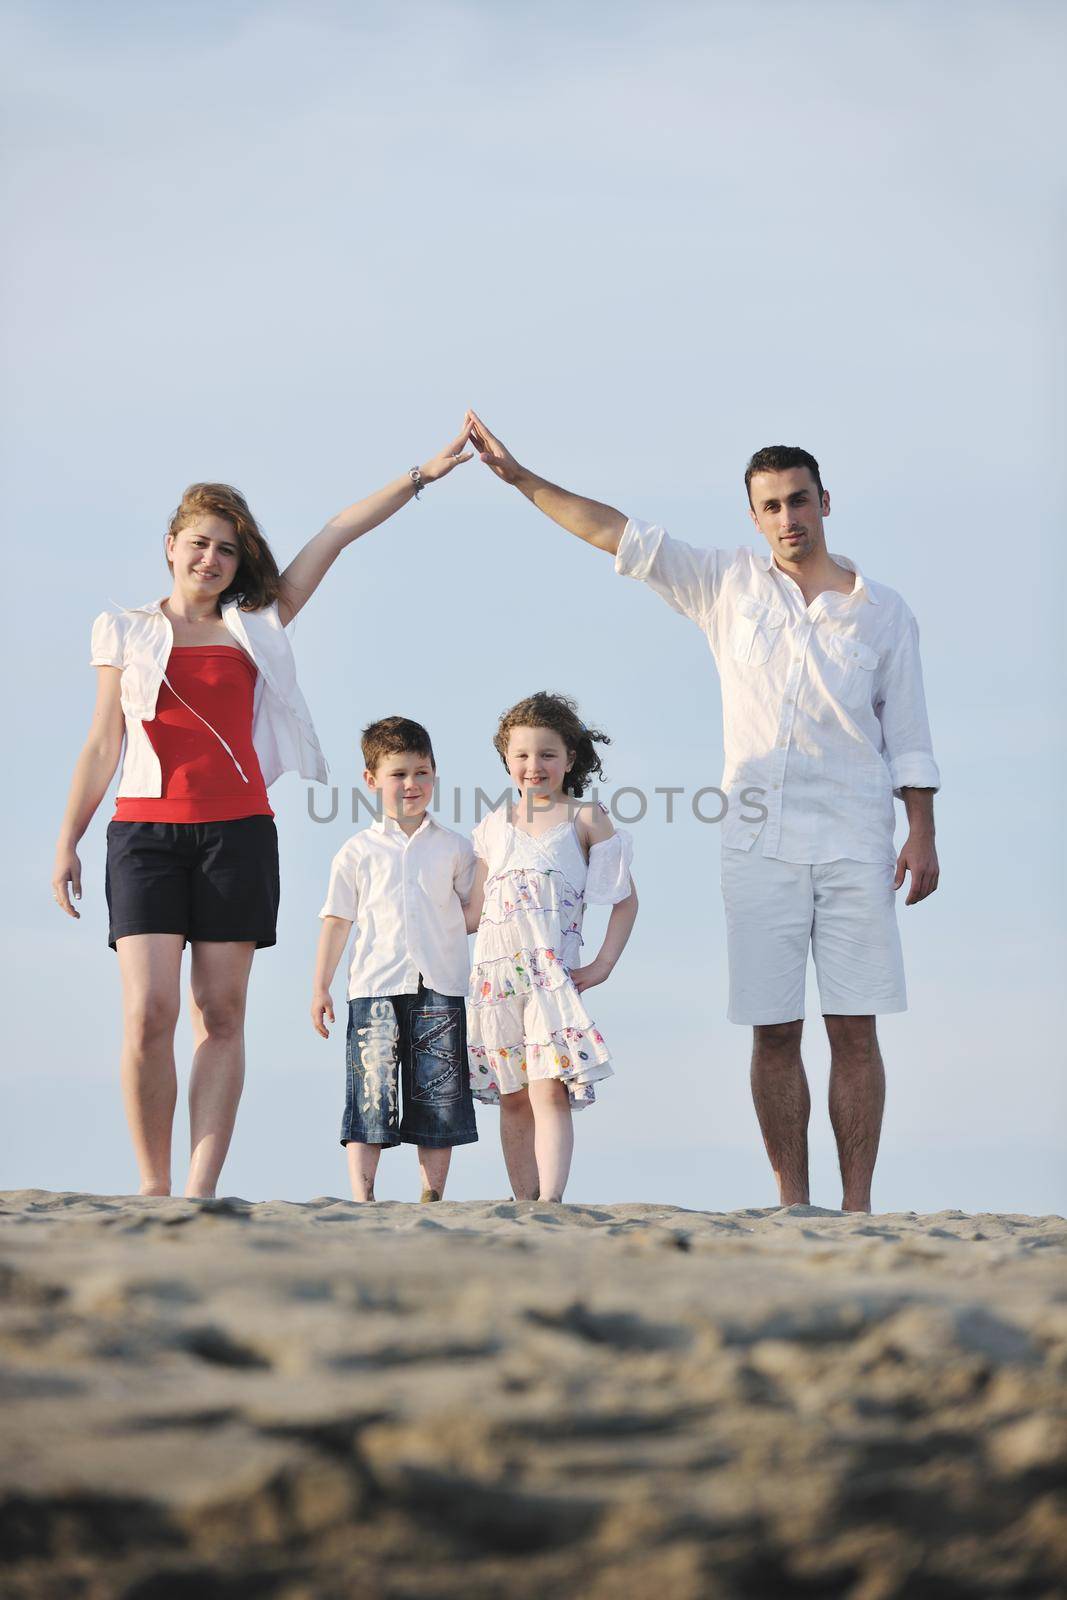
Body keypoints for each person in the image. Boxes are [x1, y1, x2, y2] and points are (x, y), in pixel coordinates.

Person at [465, 412, 940, 1214]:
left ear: (825, 502)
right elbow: (616, 533)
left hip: (858, 838)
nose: (787, 519)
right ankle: (794, 1202)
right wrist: (521, 479)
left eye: (798, 501)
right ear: (753, 517)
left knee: (854, 1029)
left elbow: (910, 733)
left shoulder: (881, 612)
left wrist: (919, 831)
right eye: (770, 507)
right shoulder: (726, 584)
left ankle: (856, 1210)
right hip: (756, 845)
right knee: (773, 1028)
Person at [52, 433, 472, 1199]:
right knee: (149, 1011)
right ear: (170, 547)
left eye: (226, 551)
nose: (210, 559)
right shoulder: (123, 628)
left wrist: (422, 474)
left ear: (239, 564)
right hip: (143, 834)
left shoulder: (259, 625)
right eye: (199, 544)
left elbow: (337, 531)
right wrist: (68, 839)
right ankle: (152, 1185)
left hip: (238, 834)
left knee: (221, 1010)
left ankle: (199, 1187)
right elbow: (102, 740)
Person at [464, 691, 638, 1202]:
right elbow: (474, 912)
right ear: (505, 760)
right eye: (520, 755)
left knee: (548, 1088)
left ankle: (550, 1202)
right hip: (495, 981)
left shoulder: (585, 819)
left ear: (570, 758)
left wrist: (603, 963)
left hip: (549, 977)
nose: (533, 766)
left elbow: (624, 901)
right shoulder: (491, 827)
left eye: (546, 754)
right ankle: (523, 1200)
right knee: (513, 1093)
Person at [311, 717, 479, 1202]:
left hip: (440, 984)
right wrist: (320, 985)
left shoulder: (455, 848)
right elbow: (337, 920)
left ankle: (433, 1196)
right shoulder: (356, 852)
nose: (412, 784)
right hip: (374, 986)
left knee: (438, 1095)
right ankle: (363, 1197)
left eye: (422, 772)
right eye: (399, 774)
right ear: (371, 780)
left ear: (435, 775)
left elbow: (473, 912)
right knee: (371, 1093)